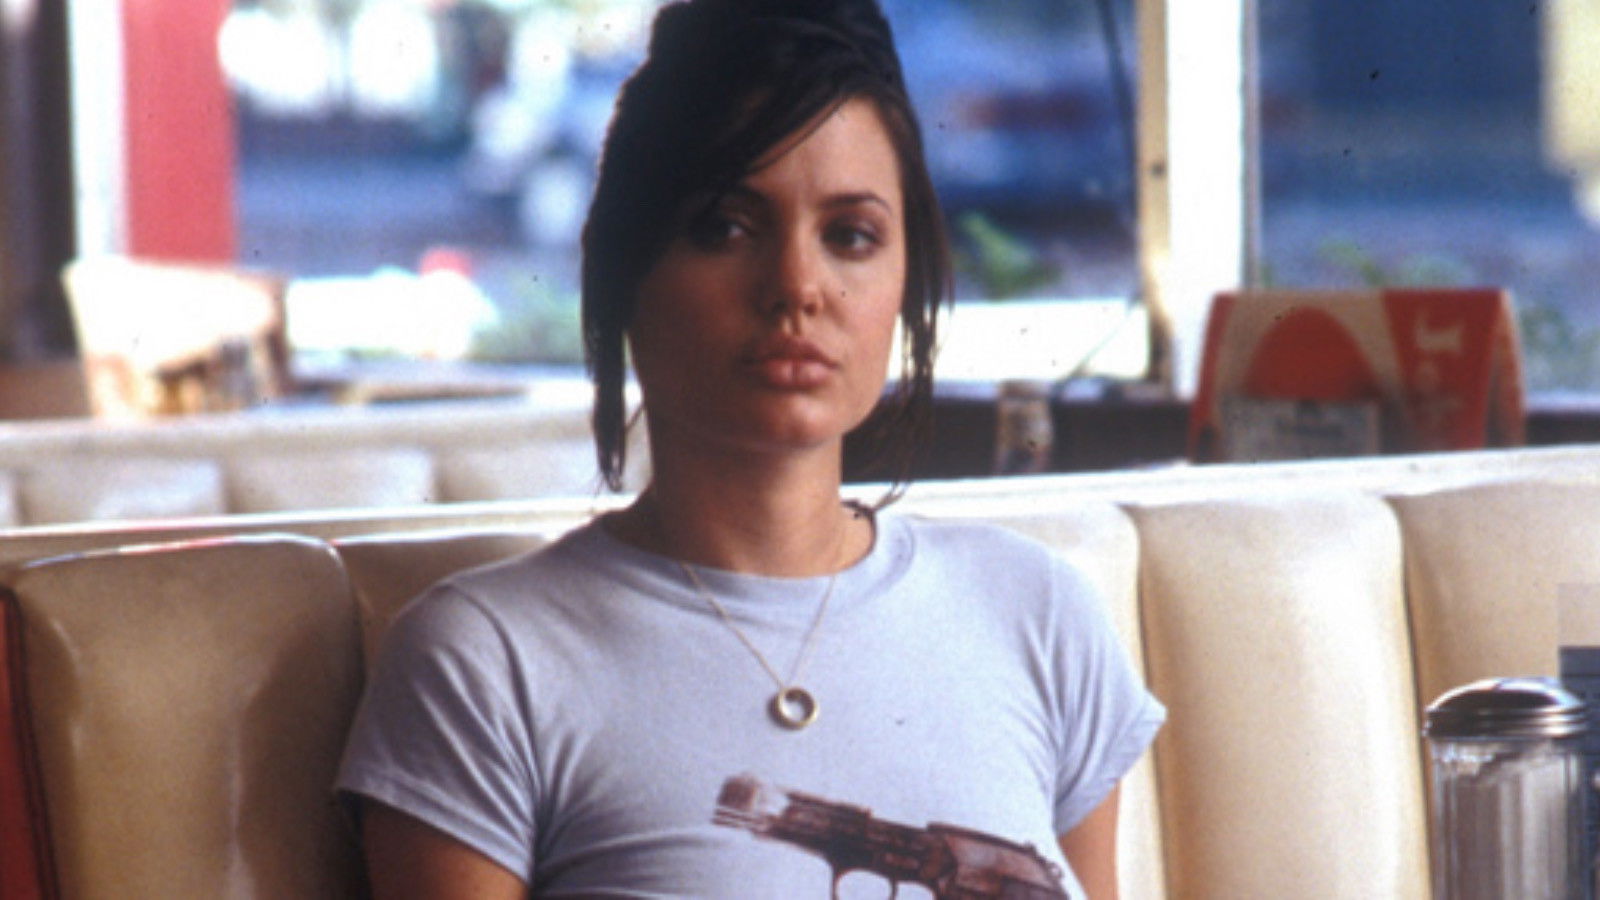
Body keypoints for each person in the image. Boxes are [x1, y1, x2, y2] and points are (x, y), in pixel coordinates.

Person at [336, 1, 1165, 897]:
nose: (797, 286)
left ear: (904, 278)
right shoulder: (485, 664)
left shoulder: (1039, 615)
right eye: (725, 227)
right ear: (624, 272)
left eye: (851, 236)